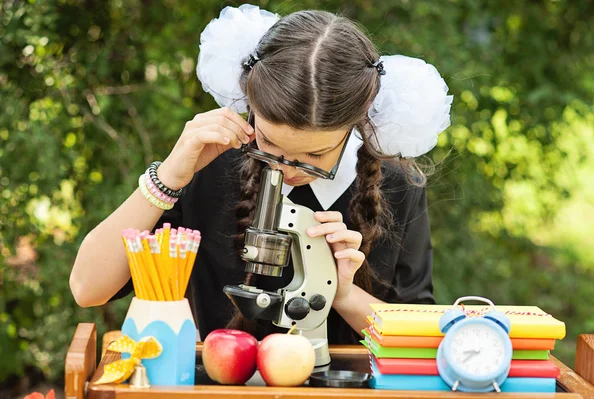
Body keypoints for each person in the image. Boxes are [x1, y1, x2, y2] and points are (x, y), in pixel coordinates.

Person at [69, 4, 453, 345]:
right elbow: (89, 288)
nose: (286, 170)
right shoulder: (211, 164)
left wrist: (344, 293)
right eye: (269, 143)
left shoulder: (395, 184)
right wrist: (167, 178)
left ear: (359, 122)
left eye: (314, 154)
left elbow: (420, 336)